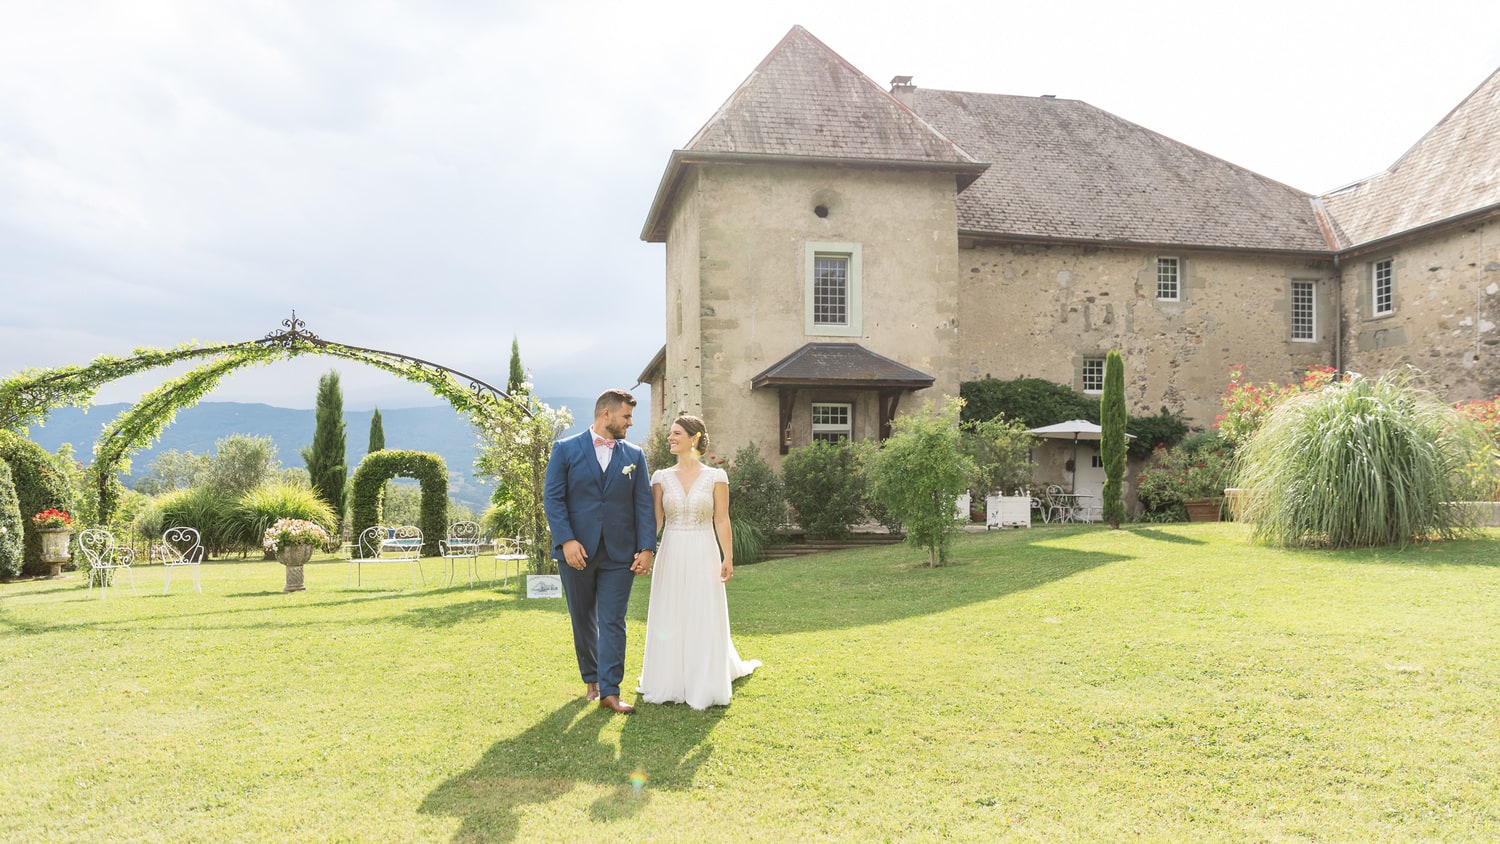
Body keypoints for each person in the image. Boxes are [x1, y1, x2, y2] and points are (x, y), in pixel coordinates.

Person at [543, 389, 656, 714]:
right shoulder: (565, 449)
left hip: (620, 554)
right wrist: (566, 540)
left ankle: (610, 691)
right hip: (576, 553)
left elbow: (643, 504)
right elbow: (553, 498)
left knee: (613, 621)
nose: (630, 423)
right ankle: (591, 680)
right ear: (606, 414)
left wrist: (647, 547)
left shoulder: (634, 455)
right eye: (626, 416)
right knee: (583, 618)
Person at [637, 415, 760, 709]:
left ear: (694, 438)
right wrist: (643, 550)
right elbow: (656, 521)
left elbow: (722, 519)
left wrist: (728, 556)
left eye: (676, 433)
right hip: (671, 550)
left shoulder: (716, 477)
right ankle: (668, 680)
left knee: (702, 611)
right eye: (670, 433)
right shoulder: (660, 477)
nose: (670, 438)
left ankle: (704, 679)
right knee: (670, 611)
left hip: (704, 551)